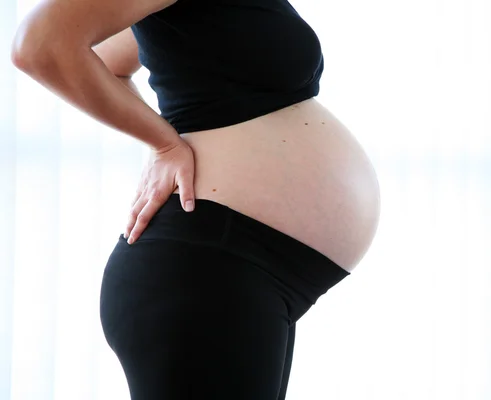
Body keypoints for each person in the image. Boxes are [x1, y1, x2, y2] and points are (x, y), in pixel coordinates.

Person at [11, 0, 381, 398]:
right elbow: (39, 44)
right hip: (204, 271)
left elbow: (107, 59)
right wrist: (163, 144)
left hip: (246, 273)